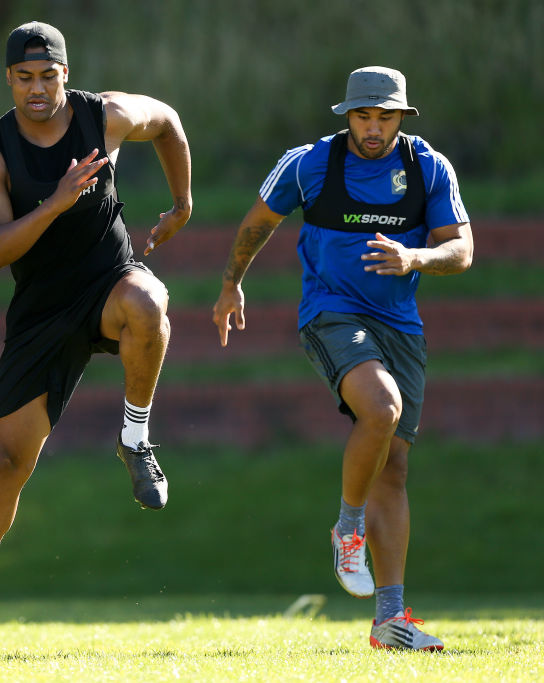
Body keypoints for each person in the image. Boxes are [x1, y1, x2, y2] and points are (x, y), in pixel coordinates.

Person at [0, 21, 192, 661]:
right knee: (8, 464)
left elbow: (168, 121)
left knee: (150, 302)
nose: (38, 89)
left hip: (109, 281)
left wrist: (182, 204)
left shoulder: (104, 116)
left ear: (66, 72)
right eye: (24, 78)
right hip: (40, 313)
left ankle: (136, 435)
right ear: (8, 79)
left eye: (48, 76)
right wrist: (55, 205)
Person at [212, 66, 473, 651]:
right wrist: (232, 284)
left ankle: (390, 619)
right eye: (363, 116)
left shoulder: (428, 167)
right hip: (330, 315)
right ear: (346, 114)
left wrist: (415, 258)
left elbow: (461, 249)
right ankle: (347, 530)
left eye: (385, 117)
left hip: (400, 325)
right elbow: (257, 224)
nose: (373, 128)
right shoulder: (309, 163)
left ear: (402, 116)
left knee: (395, 467)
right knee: (380, 410)